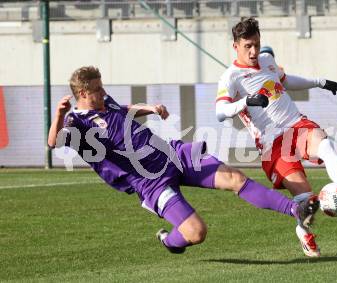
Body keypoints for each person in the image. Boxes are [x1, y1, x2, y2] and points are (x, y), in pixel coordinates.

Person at [48, 66, 319, 254]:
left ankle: (296, 210)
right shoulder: (77, 123)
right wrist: (59, 115)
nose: (103, 90)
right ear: (83, 94)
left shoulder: (105, 102)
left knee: (235, 178)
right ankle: (170, 241)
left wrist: (149, 109)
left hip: (172, 155)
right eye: (97, 88)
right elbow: (54, 142)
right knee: (197, 232)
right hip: (150, 182)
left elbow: (124, 110)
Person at [215, 18, 337, 257]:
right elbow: (220, 112)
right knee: (308, 203)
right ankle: (303, 233)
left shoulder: (267, 60)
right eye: (248, 46)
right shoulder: (231, 77)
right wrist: (246, 101)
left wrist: (320, 82)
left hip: (296, 124)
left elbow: (285, 82)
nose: (254, 51)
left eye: (256, 44)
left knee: (326, 146)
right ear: (235, 46)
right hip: (272, 144)